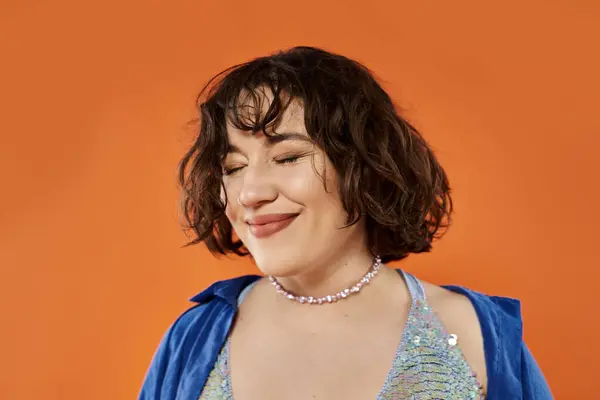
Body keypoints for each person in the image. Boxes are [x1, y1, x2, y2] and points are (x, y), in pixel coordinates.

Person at [139, 46, 552, 399]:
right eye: (233, 166)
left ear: (364, 169)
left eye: (288, 158)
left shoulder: (474, 332)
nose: (250, 193)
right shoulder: (194, 340)